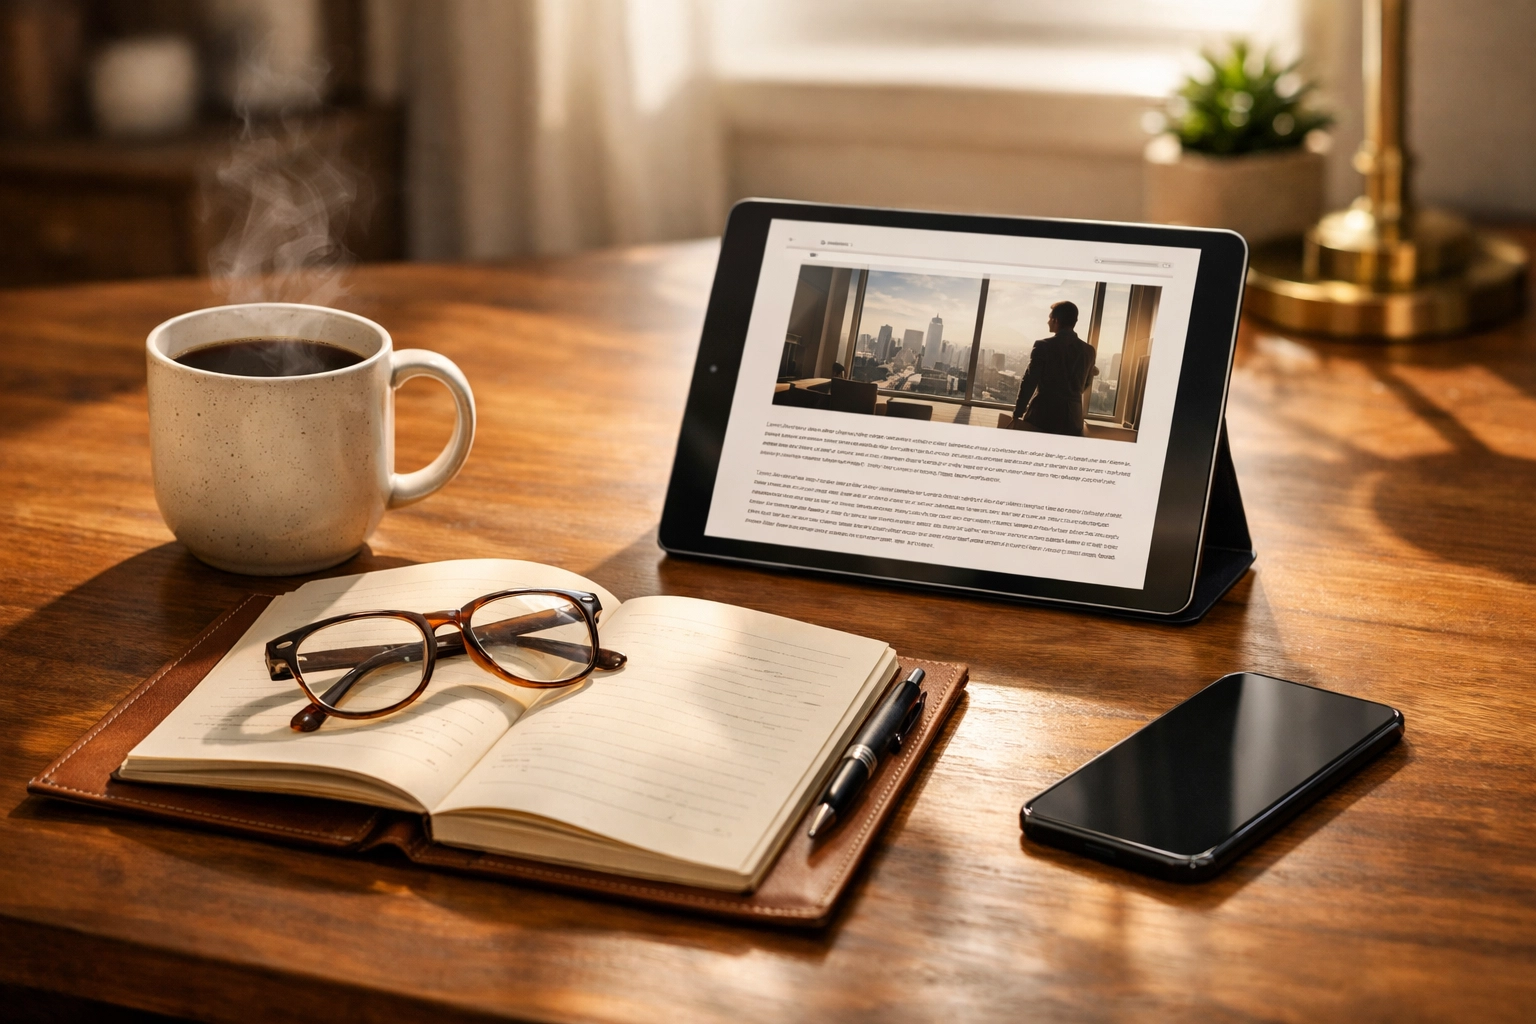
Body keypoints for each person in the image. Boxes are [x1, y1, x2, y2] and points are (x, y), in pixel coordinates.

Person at [1010, 300, 1097, 435]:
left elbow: (1030, 381)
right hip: (1073, 420)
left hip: (1043, 417)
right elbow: (1085, 384)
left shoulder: (1043, 346)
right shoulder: (1089, 351)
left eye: (1050, 318)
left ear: (1056, 320)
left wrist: (1018, 412)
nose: (1048, 322)